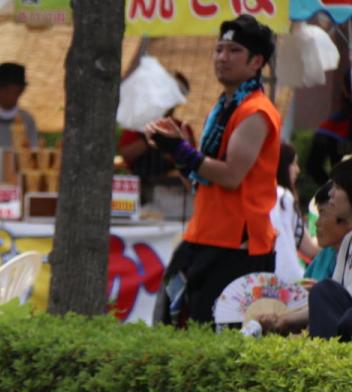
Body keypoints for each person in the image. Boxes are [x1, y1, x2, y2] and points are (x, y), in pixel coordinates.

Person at [147, 14, 281, 325]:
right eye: (219, 49)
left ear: (256, 61)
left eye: (234, 50)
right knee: (173, 324)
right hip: (205, 236)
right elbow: (201, 180)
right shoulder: (223, 107)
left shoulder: (256, 111)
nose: (222, 57)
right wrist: (175, 152)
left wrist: (182, 151)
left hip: (238, 247)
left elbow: (231, 176)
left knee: (214, 336)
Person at [258, 165, 352, 338]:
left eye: (338, 187)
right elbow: (332, 302)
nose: (331, 193)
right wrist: (285, 320)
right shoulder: (347, 244)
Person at [117, 71, 194, 214]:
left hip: (172, 194)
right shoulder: (137, 122)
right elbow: (126, 154)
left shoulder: (182, 128)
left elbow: (191, 162)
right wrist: (150, 137)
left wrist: (174, 147)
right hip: (140, 194)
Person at [269, 142, 316, 283]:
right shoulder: (284, 198)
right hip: (290, 281)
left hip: (259, 279)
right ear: (282, 165)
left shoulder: (259, 196)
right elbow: (311, 249)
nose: (297, 170)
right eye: (293, 163)